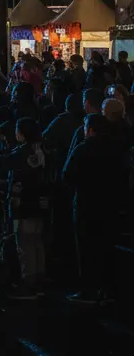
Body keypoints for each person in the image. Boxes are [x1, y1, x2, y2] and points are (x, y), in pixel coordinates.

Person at [62, 113, 129, 304]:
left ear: (90, 129)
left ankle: (88, 290)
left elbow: (67, 175)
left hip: (86, 204)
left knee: (86, 249)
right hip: (110, 205)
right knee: (107, 247)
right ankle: (109, 289)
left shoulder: (83, 149)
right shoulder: (117, 149)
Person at [2, 117, 49, 298]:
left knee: (24, 243)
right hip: (41, 202)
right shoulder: (43, 150)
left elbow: (5, 164)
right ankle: (39, 278)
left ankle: (28, 283)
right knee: (37, 242)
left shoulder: (20, 153)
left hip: (22, 203)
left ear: (21, 133)